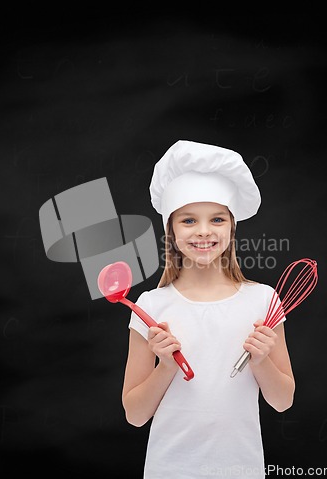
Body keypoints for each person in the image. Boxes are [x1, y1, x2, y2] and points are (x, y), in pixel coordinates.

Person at [122, 140, 295, 478]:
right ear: (170, 228)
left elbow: (283, 400)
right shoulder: (151, 307)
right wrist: (166, 366)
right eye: (188, 220)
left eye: (216, 219)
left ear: (232, 226)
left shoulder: (263, 301)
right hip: (169, 469)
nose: (203, 231)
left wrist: (260, 361)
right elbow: (135, 414)